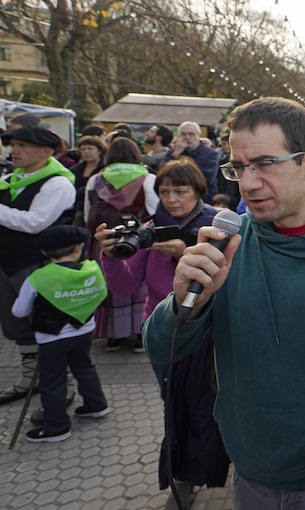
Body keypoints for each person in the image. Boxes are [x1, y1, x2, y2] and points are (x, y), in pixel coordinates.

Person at [143, 96, 305, 509]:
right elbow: (161, 347)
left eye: (264, 164)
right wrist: (182, 303)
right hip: (251, 473)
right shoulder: (228, 240)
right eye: (238, 167)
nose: (246, 183)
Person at [94, 158, 227, 507]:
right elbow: (124, 285)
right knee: (175, 406)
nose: (171, 199)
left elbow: (234, 282)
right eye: (164, 191)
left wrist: (188, 253)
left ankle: (222, 466)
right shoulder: (150, 229)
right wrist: (109, 255)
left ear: (198, 191)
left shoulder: (217, 225)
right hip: (166, 332)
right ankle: (183, 476)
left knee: (213, 407)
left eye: (180, 191)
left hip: (213, 332)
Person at [12, 225, 110, 442]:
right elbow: (101, 295)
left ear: (44, 252)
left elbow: (19, 311)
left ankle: (56, 427)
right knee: (84, 367)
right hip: (85, 330)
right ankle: (96, 405)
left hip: (51, 337)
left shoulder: (38, 277)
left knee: (53, 380)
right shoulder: (92, 269)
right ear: (79, 247)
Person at [0, 126, 76, 405]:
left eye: (22, 145)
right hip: (9, 264)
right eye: (12, 145)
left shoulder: (57, 183)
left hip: (40, 266)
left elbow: (35, 223)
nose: (14, 150)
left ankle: (61, 388)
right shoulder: (10, 179)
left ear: (45, 152)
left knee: (49, 327)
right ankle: (30, 378)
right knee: (18, 325)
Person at [84, 137, 158, 352]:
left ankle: (113, 336)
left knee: (111, 285)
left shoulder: (95, 179)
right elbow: (154, 211)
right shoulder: (148, 179)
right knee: (138, 287)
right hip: (136, 239)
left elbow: (88, 213)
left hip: (105, 239)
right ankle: (138, 335)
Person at [159, 121, 220, 202]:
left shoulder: (210, 154)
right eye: (183, 134)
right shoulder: (173, 152)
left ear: (198, 136)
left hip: (202, 198)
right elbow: (160, 172)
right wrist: (175, 155)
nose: (187, 137)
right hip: (175, 197)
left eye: (191, 134)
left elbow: (207, 178)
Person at [70, 136, 107, 226]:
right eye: (83, 149)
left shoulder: (105, 169)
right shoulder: (75, 169)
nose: (86, 152)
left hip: (98, 209)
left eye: (90, 149)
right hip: (76, 209)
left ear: (99, 150)